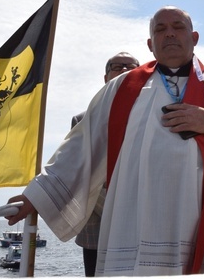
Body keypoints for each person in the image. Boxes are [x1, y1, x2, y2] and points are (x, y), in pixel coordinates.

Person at [6, 6, 204, 276]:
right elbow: (81, 147)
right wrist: (38, 196)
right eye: (160, 29)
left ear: (194, 37)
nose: (169, 34)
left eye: (178, 27)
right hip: (139, 226)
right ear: (150, 44)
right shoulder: (121, 88)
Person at [71, 52, 140, 277]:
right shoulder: (83, 120)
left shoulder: (152, 117)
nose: (125, 70)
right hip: (96, 228)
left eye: (132, 67)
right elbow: (77, 169)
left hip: (140, 223)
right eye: (118, 66)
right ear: (105, 76)